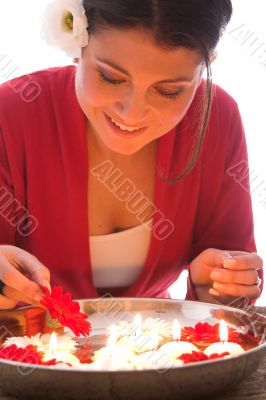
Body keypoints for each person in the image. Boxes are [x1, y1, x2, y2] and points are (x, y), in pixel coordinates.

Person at [0, 0, 263, 310]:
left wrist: (218, 288)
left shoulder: (215, 118)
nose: (133, 113)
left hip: (154, 353)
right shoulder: (12, 114)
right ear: (78, 45)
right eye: (111, 77)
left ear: (205, 66)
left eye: (169, 90)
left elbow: (234, 292)